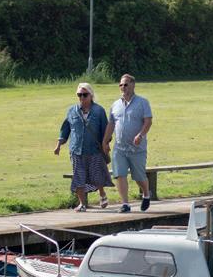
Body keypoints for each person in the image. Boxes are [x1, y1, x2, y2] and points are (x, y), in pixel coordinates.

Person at [54, 82, 111, 211]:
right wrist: (58, 145)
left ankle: (102, 193)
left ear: (91, 95)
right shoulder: (72, 111)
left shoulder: (99, 111)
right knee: (78, 177)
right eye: (79, 95)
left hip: (94, 150)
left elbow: (105, 130)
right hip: (76, 150)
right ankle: (82, 204)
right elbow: (65, 129)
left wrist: (106, 144)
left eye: (85, 94)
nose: (82, 97)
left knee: (97, 175)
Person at [104, 73, 153, 213]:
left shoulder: (143, 102)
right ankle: (125, 204)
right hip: (119, 148)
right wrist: (105, 141)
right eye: (120, 85)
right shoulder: (115, 105)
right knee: (120, 174)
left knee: (138, 177)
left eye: (125, 84)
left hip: (137, 148)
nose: (123, 87)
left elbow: (148, 121)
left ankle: (146, 194)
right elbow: (111, 124)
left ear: (133, 85)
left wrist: (140, 135)